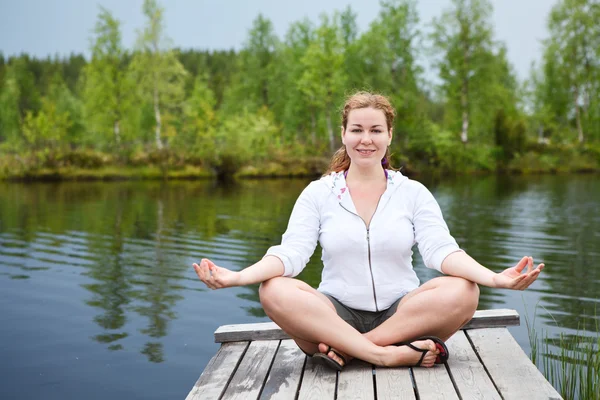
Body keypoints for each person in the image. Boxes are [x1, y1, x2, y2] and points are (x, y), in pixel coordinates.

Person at [193, 91, 544, 370]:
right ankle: (385, 355)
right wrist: (238, 277)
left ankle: (352, 351)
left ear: (389, 136)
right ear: (343, 135)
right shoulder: (319, 193)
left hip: (402, 315)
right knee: (273, 290)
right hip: (332, 315)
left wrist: (494, 279)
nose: (366, 139)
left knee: (465, 291)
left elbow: (441, 251)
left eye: (376, 130)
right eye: (357, 129)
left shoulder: (411, 192)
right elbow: (291, 255)